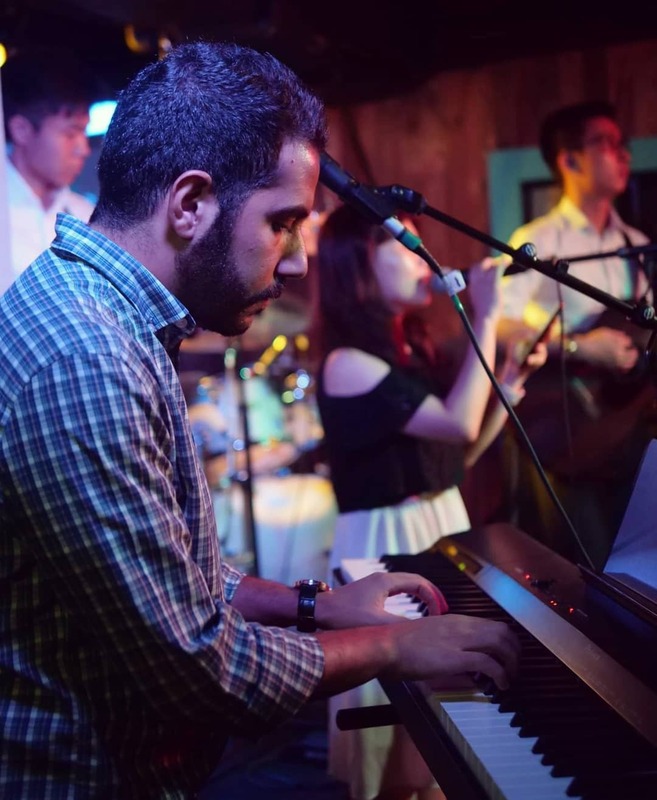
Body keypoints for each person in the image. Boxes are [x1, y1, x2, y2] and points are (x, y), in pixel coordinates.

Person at [0, 41, 521, 800]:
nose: (298, 261)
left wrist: (317, 606)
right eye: (283, 223)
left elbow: (170, 573)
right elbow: (195, 668)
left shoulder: (101, 316)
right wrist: (395, 646)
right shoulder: (88, 357)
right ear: (189, 205)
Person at [314, 204, 546, 800]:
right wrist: (486, 315)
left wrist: (507, 389)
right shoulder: (347, 363)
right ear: (358, 264)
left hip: (441, 520)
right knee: (402, 720)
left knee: (450, 711)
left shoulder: (406, 353)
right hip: (387, 540)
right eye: (403, 245)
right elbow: (459, 422)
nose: (424, 258)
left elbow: (453, 458)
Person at [497, 100, 656, 568]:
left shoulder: (635, 245)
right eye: (606, 143)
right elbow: (501, 327)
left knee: (637, 560)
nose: (623, 154)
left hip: (627, 426)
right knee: (586, 563)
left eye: (623, 144)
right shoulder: (538, 240)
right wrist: (582, 346)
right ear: (569, 160)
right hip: (568, 431)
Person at [1, 46, 98, 277]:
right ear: (21, 130)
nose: (83, 149)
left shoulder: (85, 215)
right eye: (70, 134)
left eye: (84, 132)